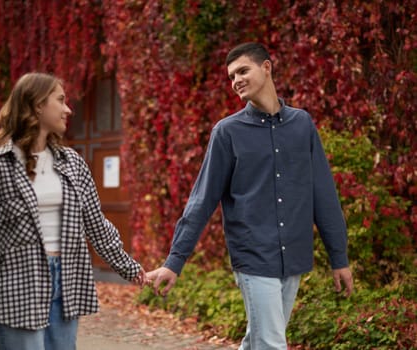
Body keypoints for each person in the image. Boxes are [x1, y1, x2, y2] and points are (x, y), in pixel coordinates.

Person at [146, 42, 353, 349]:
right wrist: (174, 261)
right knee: (271, 343)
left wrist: (340, 258)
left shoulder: (302, 125)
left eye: (243, 70)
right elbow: (202, 200)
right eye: (231, 76)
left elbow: (323, 194)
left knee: (258, 340)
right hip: (253, 257)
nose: (236, 81)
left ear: (266, 68)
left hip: (293, 256)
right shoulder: (227, 133)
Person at [0, 72, 148, 350]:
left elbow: (96, 224)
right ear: (38, 105)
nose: (68, 109)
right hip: (16, 284)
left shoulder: (73, 164)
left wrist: (130, 268)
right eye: (61, 100)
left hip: (66, 282)